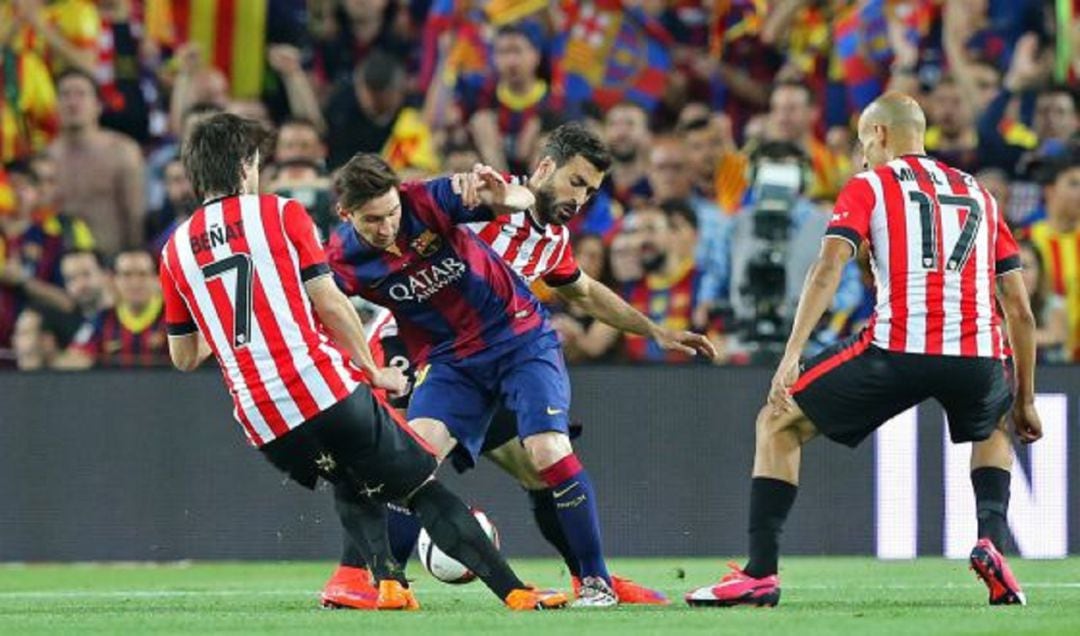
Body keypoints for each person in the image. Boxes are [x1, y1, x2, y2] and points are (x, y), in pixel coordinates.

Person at [159, 112, 567, 612]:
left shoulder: (174, 251)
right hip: (318, 386)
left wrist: (224, 322)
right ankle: (516, 592)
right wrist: (374, 372)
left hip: (264, 419)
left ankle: (388, 584)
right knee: (419, 484)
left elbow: (184, 356)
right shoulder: (279, 213)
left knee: (352, 477)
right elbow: (330, 302)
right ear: (246, 165)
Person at [324, 124, 712, 608]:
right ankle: (359, 577)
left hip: (506, 348)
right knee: (406, 461)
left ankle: (592, 579)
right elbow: (464, 198)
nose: (580, 199)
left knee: (538, 466)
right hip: (418, 347)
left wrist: (653, 330)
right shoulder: (484, 200)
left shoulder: (551, 240)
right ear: (546, 167)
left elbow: (584, 292)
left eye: (591, 192)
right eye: (576, 182)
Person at [686, 92, 1043, 608]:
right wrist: (1025, 398)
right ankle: (991, 540)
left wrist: (792, 354)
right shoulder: (980, 194)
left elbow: (829, 266)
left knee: (777, 422)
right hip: (978, 353)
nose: (862, 156)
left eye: (863, 144)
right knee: (991, 427)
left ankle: (760, 573)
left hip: (899, 345)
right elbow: (1019, 309)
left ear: (879, 134)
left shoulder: (870, 184)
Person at [47, 68, 146, 256]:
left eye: (81, 94)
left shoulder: (122, 151)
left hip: (111, 258)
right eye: (65, 95)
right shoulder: (46, 158)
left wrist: (133, 258)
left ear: (98, 105)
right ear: (55, 105)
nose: (72, 103)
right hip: (58, 263)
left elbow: (135, 216)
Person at [55, 249, 169, 369]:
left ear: (157, 279)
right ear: (113, 280)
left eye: (143, 274)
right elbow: (73, 358)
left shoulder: (174, 317)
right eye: (127, 275)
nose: (135, 283)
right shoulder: (100, 320)